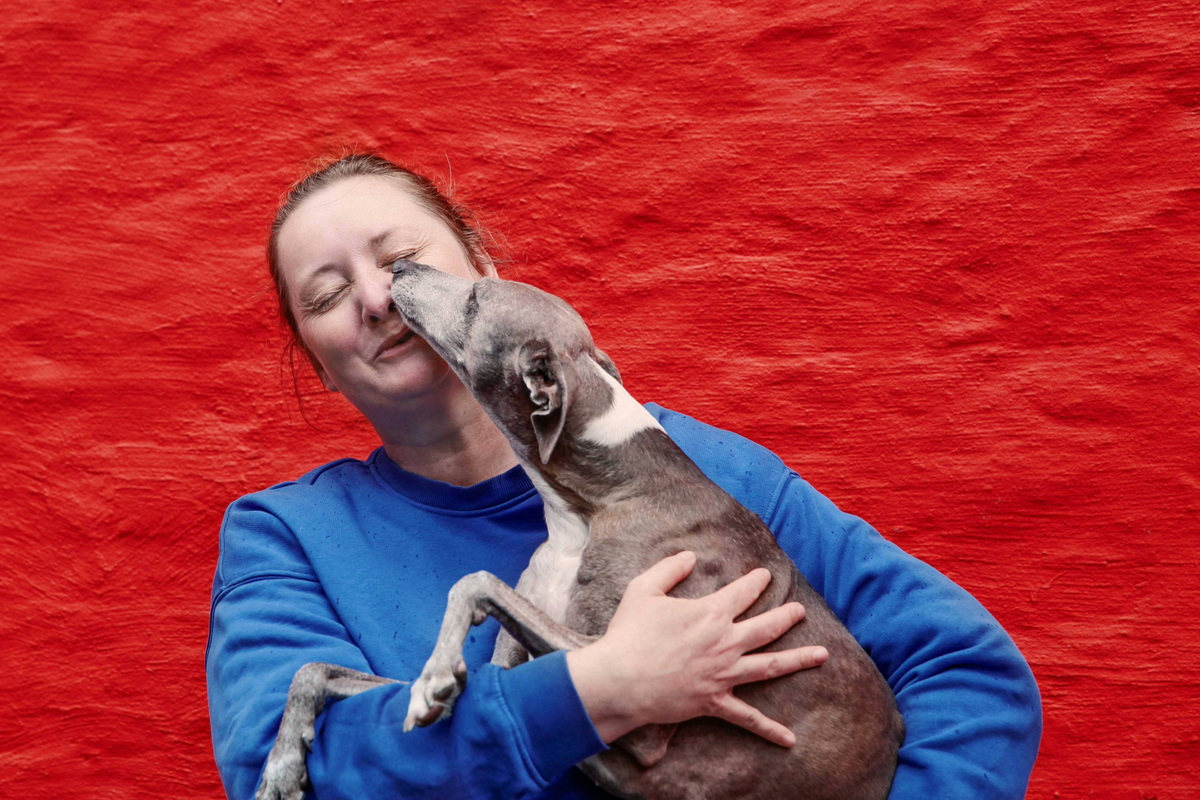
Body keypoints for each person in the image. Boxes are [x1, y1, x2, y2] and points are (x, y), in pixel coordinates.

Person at [206, 154, 1042, 800]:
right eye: (326, 297)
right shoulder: (286, 539)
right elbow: (294, 773)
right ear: (318, 367)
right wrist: (604, 690)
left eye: (401, 259)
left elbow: (969, 674)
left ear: (487, 272)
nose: (379, 298)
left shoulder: (702, 471)